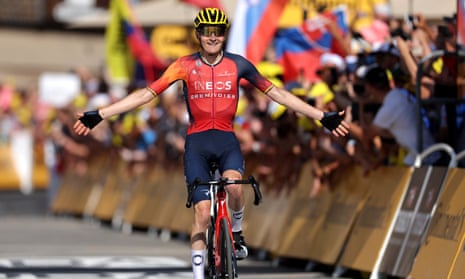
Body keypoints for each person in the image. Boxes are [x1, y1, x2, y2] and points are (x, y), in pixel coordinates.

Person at [73, 8, 349, 279]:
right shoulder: (183, 65)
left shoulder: (238, 64)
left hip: (226, 140)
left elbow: (277, 93)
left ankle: (237, 233)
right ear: (198, 35)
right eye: (207, 33)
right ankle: (197, 275)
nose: (212, 37)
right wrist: (101, 114)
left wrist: (320, 116)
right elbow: (146, 94)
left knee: (235, 187)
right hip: (197, 144)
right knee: (203, 212)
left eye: (217, 33)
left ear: (224, 35)